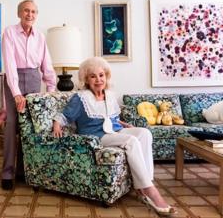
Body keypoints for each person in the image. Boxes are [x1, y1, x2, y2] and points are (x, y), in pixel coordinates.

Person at [52, 57, 176, 216]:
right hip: (96, 135)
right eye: (93, 76)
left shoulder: (109, 95)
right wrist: (57, 123)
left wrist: (124, 124)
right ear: (86, 79)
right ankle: (150, 191)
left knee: (144, 133)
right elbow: (65, 115)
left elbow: (112, 118)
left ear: (106, 76)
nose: (98, 80)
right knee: (131, 141)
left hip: (114, 130)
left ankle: (146, 181)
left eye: (101, 75)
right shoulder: (80, 97)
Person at [1, 0, 56, 190]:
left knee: (30, 128)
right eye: (26, 11)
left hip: (33, 79)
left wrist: (50, 90)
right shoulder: (9, 33)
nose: (30, 14)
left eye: (33, 11)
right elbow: (9, 64)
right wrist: (16, 93)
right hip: (13, 79)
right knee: (12, 126)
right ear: (19, 13)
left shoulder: (40, 37)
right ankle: (7, 173)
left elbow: (46, 65)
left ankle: (24, 171)